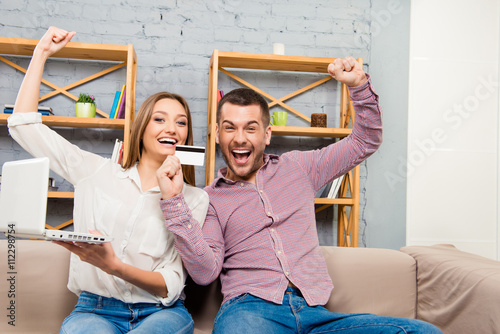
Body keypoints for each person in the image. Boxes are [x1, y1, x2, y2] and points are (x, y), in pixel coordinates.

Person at [159, 57, 443, 333]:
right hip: (249, 313)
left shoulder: (299, 168)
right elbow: (205, 272)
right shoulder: (211, 199)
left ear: (267, 134)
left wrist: (358, 87)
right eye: (229, 128)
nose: (240, 138)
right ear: (217, 134)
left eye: (251, 128)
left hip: (314, 313)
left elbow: (365, 140)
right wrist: (173, 202)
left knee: (422, 332)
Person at [7, 27, 208, 334]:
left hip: (160, 313)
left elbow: (172, 280)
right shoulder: (95, 171)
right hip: (94, 311)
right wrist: (41, 54)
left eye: (181, 122)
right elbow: (24, 126)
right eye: (159, 119)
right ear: (141, 128)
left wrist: (115, 266)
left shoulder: (194, 199)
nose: (172, 128)